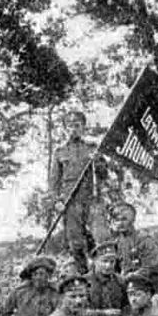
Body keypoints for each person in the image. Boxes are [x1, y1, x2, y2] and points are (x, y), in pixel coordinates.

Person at [49, 111, 107, 274]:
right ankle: (83, 275)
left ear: (83, 127)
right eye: (70, 126)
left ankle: (105, 273)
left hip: (92, 201)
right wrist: (57, 202)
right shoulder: (60, 152)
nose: (73, 129)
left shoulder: (93, 148)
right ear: (65, 129)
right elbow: (53, 182)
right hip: (70, 203)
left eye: (77, 125)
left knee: (101, 238)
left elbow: (104, 175)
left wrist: (98, 162)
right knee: (76, 243)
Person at [110, 201, 158, 291]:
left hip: (146, 286)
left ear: (133, 220)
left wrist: (129, 276)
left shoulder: (145, 239)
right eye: (117, 220)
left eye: (124, 219)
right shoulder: (118, 242)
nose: (120, 223)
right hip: (126, 286)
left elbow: (151, 267)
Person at [84, 241, 129, 316]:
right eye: (104, 261)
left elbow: (127, 306)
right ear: (95, 261)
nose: (108, 266)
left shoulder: (120, 281)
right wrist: (103, 314)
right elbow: (80, 311)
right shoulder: (86, 282)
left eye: (112, 262)